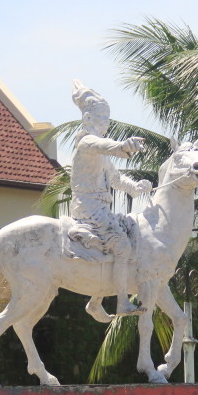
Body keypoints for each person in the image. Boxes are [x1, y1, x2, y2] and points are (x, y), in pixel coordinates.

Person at [69, 80, 151, 315]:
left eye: (107, 119)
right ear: (88, 119)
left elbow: (115, 179)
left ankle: (95, 301)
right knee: (123, 248)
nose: (106, 124)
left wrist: (135, 186)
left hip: (102, 209)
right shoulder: (87, 142)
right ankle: (121, 302)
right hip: (89, 208)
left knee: (125, 240)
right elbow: (107, 145)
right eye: (101, 119)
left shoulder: (100, 152)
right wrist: (123, 145)